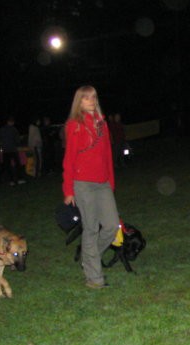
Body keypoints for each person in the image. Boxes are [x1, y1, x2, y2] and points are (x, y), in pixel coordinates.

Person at [62, 85, 120, 289]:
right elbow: (69, 160)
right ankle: (94, 278)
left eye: (93, 97)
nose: (91, 101)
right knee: (91, 228)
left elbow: (107, 157)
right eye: (86, 98)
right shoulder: (74, 125)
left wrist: (110, 183)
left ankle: (89, 258)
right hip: (83, 184)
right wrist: (68, 189)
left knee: (112, 226)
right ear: (79, 102)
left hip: (102, 182)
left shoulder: (102, 124)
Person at [0, 116, 25, 185]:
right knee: (17, 164)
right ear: (12, 122)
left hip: (5, 150)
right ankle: (19, 178)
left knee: (7, 166)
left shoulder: (1, 130)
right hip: (13, 149)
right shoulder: (14, 129)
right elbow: (17, 140)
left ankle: (11, 180)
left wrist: (0, 145)